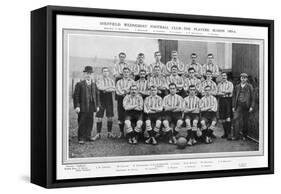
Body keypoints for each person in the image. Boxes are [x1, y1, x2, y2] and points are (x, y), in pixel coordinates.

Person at [73, 66, 100, 144]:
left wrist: (97, 105)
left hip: (92, 105)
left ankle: (88, 136)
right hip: (83, 106)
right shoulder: (80, 84)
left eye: (90, 74)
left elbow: (97, 95)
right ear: (84, 74)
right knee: (82, 121)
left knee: (90, 121)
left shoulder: (94, 84)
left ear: (92, 75)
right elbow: (76, 96)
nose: (88, 75)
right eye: (87, 73)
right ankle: (81, 138)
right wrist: (77, 106)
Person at [94, 67, 116, 140]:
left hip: (109, 100)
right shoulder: (99, 80)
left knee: (110, 117)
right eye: (104, 71)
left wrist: (105, 89)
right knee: (99, 117)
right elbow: (99, 87)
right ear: (102, 72)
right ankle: (98, 134)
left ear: (108, 73)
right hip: (101, 99)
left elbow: (114, 88)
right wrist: (108, 88)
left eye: (107, 71)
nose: (105, 72)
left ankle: (109, 133)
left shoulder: (111, 80)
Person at [232, 73, 255, 140]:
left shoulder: (249, 86)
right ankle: (236, 136)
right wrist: (233, 106)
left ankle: (244, 135)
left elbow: (253, 98)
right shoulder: (237, 86)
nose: (243, 79)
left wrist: (252, 106)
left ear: (246, 79)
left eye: (244, 78)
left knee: (245, 121)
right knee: (235, 119)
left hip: (246, 105)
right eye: (242, 78)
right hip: (238, 105)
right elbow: (234, 97)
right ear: (240, 78)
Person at [116, 67, 135, 138]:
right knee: (121, 116)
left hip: (130, 100)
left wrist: (127, 91)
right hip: (121, 99)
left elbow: (134, 90)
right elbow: (118, 90)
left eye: (127, 72)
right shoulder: (119, 82)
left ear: (129, 73)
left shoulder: (132, 81)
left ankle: (129, 132)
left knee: (129, 114)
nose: (126, 73)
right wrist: (123, 93)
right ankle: (121, 132)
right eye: (125, 72)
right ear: (122, 73)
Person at [217, 72, 234, 139]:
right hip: (221, 100)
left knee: (228, 117)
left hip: (228, 100)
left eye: (225, 75)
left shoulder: (230, 83)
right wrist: (224, 92)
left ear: (227, 76)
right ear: (221, 77)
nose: (223, 77)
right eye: (222, 76)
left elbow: (230, 91)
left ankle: (229, 133)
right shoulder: (219, 84)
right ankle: (225, 133)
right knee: (223, 118)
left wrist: (223, 92)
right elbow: (217, 93)